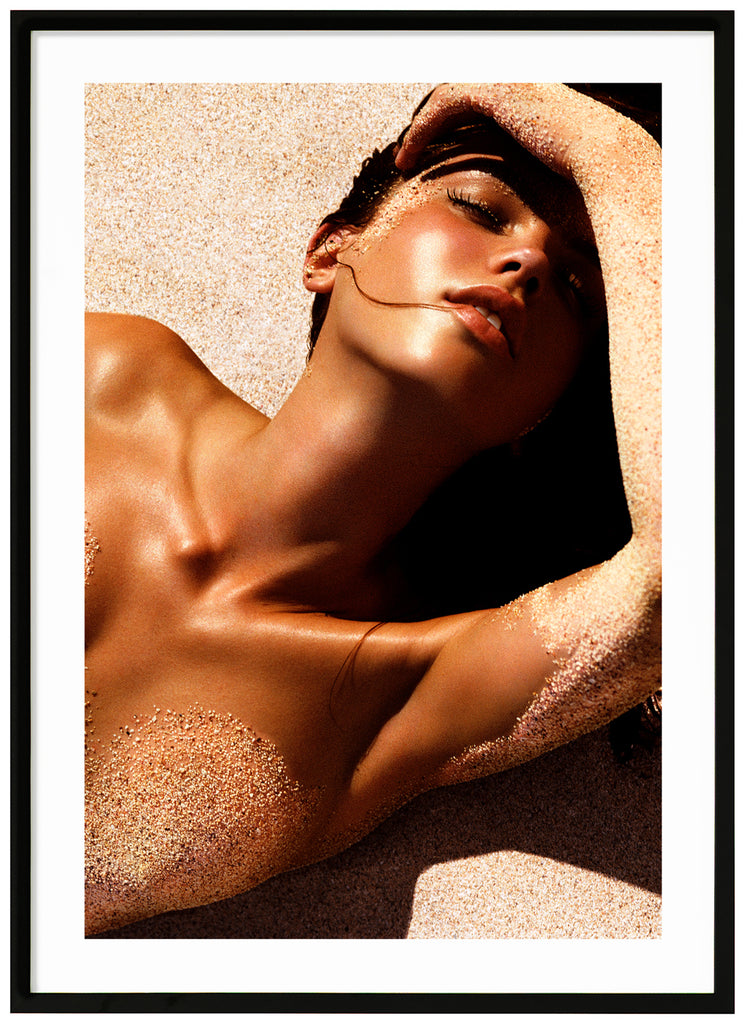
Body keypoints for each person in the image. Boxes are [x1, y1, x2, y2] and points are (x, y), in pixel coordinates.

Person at [84, 83, 661, 936]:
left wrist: (603, 145)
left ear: (545, 411)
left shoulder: (405, 687)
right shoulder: (97, 380)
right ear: (330, 249)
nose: (527, 264)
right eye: (479, 209)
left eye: (580, 288)